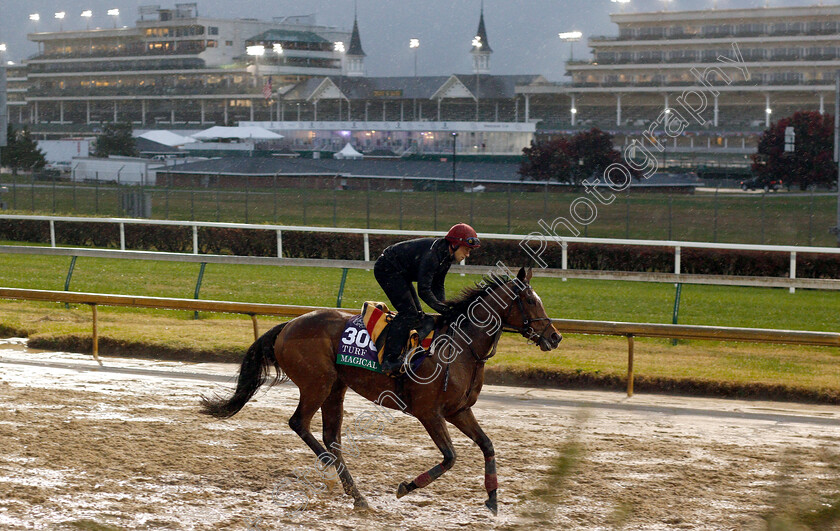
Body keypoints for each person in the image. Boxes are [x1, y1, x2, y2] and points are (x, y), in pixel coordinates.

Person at [373, 223, 481, 377]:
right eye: (467, 249)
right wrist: (445, 310)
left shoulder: (446, 257)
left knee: (419, 316)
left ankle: (407, 350)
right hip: (387, 269)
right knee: (409, 314)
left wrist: (445, 308)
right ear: (455, 244)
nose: (468, 254)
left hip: (401, 272)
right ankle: (389, 360)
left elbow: (437, 286)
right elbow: (424, 290)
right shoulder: (433, 256)